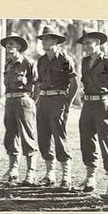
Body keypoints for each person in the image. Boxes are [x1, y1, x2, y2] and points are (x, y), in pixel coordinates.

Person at [75, 29, 108, 200]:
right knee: (86, 140)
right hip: (88, 104)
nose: (86, 46)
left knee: (106, 142)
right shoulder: (85, 61)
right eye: (84, 43)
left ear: (98, 43)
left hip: (103, 103)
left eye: (89, 43)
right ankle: (90, 177)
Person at [34, 26, 78, 189]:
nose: (44, 42)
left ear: (55, 41)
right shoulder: (41, 60)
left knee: (59, 136)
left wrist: (67, 103)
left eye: (48, 39)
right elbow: (38, 83)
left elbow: (74, 84)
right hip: (43, 100)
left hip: (58, 100)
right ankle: (49, 174)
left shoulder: (65, 59)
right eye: (43, 39)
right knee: (43, 136)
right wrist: (36, 100)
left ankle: (66, 176)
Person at [0, 33, 39, 185]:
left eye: (12, 44)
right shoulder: (8, 64)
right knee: (10, 136)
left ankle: (31, 172)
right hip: (9, 101)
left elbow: (36, 84)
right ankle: (13, 169)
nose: (9, 47)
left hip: (23, 101)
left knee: (27, 137)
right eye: (7, 44)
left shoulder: (27, 63)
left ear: (19, 47)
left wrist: (31, 101)